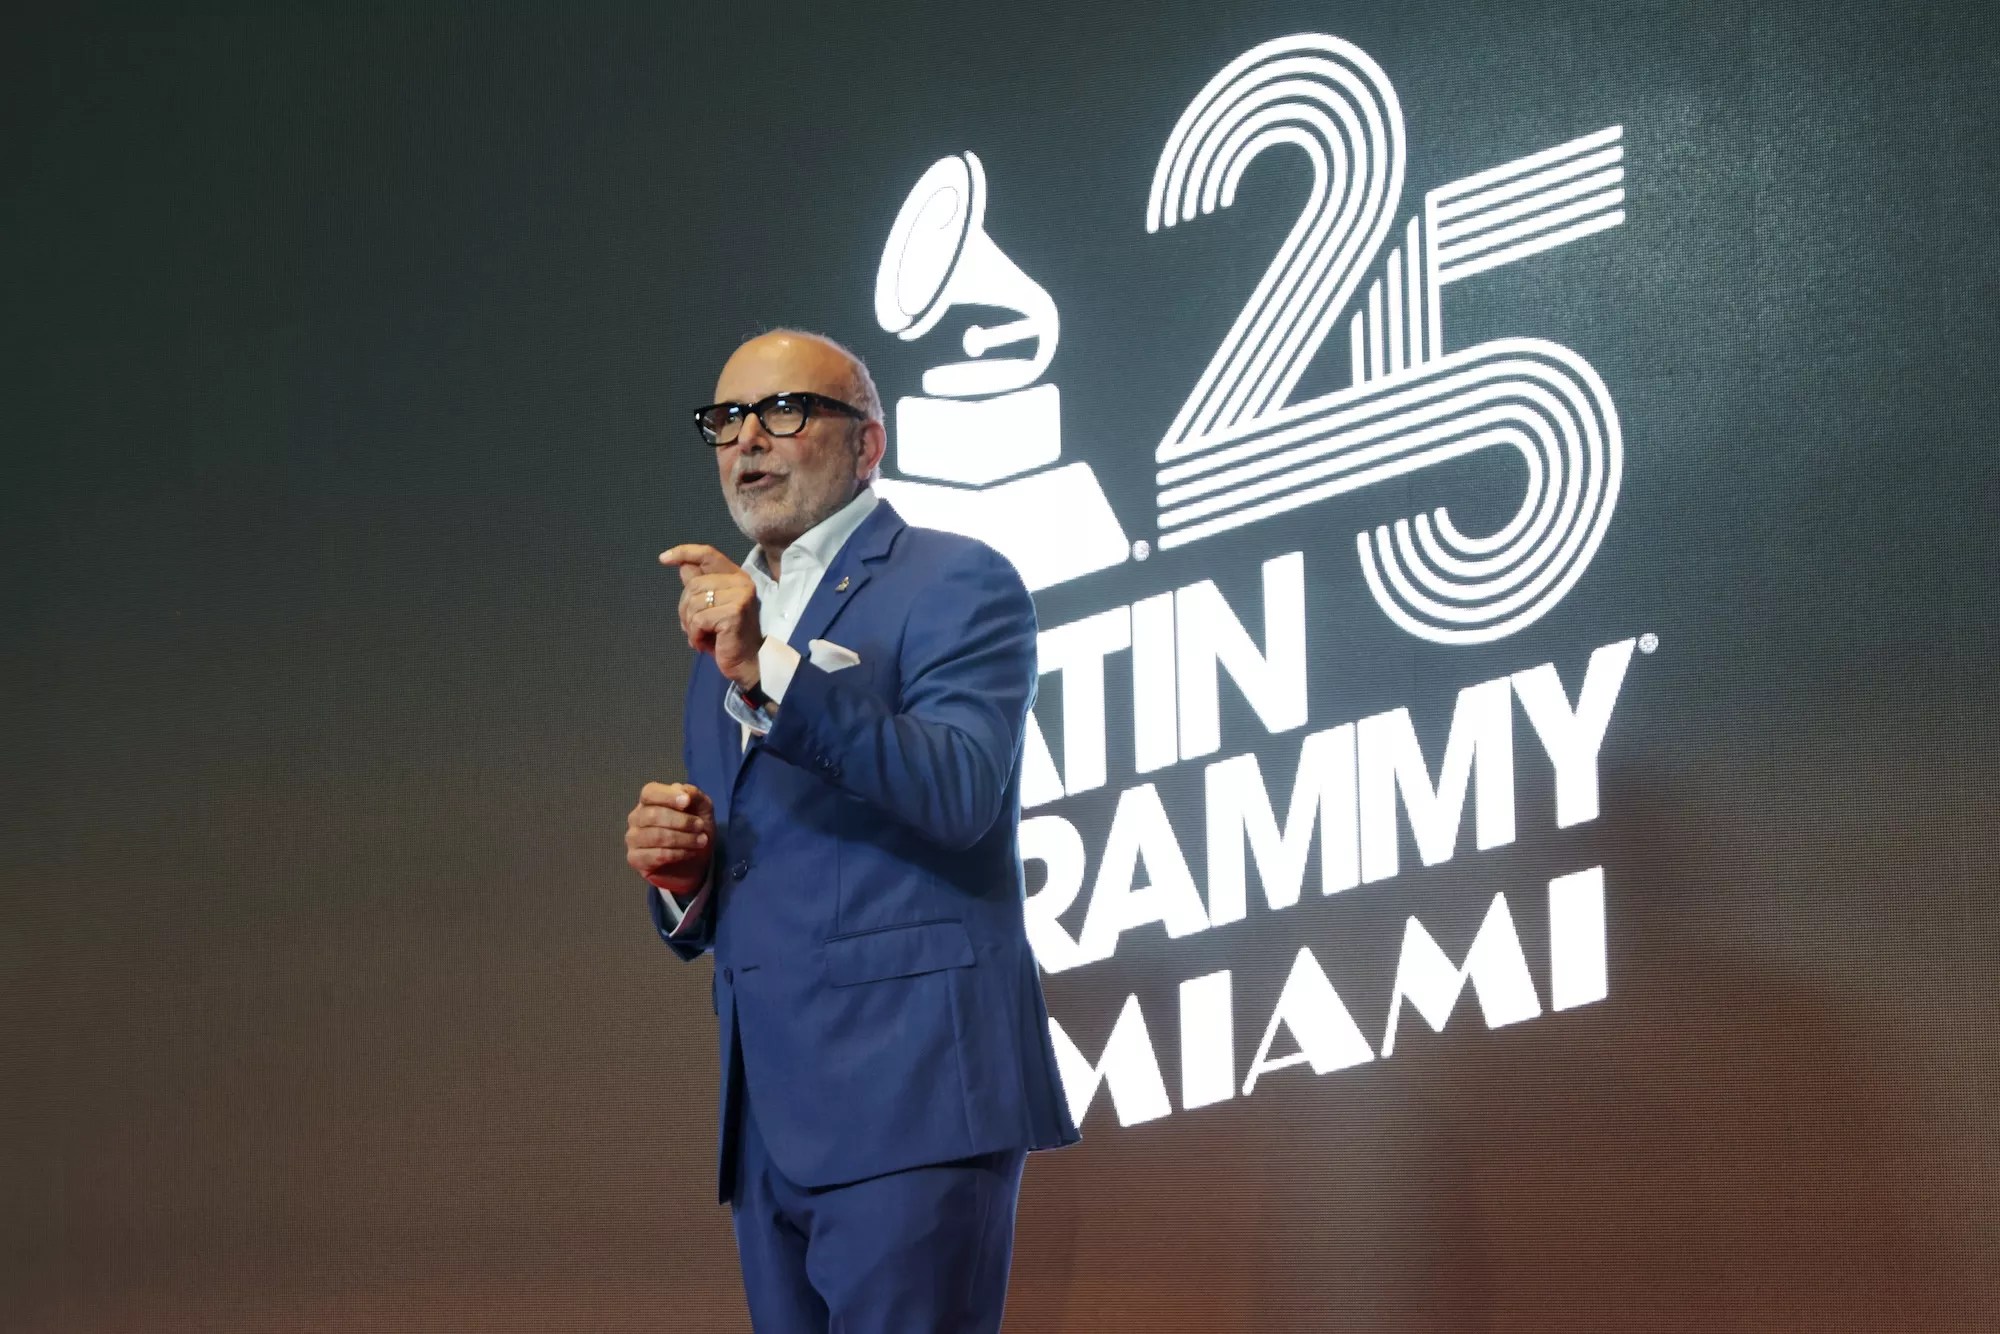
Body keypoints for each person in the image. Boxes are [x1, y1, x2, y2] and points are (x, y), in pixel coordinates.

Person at [624, 329, 1079, 1333]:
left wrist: (766, 669)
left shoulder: (957, 580)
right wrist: (683, 874)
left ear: (868, 443)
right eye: (727, 419)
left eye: (785, 411)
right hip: (768, 1120)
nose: (749, 441)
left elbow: (960, 787)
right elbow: (760, 861)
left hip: (911, 1098)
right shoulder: (717, 634)